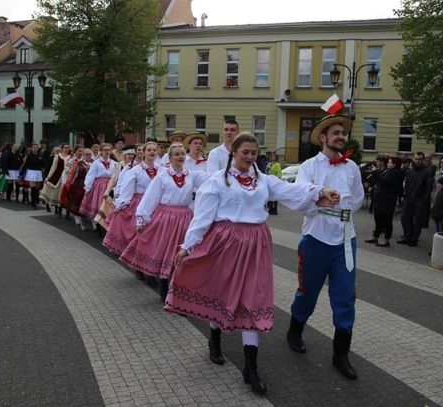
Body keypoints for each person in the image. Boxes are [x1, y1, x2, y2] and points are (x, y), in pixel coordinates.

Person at [164, 133, 339, 395]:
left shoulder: (262, 180)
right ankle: (214, 340)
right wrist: (187, 245)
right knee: (222, 293)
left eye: (254, 152)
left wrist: (319, 191)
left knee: (252, 300)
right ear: (233, 152)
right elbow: (202, 217)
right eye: (245, 151)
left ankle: (251, 368)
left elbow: (289, 189)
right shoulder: (218, 181)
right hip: (226, 243)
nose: (250, 157)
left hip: (256, 244)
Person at [286, 114, 364, 381]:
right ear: (323, 138)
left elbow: (358, 199)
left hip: (344, 238)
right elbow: (299, 198)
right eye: (336, 133)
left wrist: (341, 208)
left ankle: (340, 354)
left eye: (343, 133)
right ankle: (295, 329)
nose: (341, 137)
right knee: (307, 292)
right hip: (316, 237)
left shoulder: (352, 167)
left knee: (344, 297)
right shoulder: (309, 166)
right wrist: (321, 197)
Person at [120, 143, 210, 303]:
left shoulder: (192, 175)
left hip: (185, 218)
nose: (180, 157)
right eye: (177, 154)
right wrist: (141, 219)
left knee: (184, 252)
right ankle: (164, 285)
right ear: (170, 157)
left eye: (183, 154)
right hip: (166, 217)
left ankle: (179, 288)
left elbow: (213, 178)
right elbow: (150, 197)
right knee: (165, 251)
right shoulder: (162, 176)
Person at [103, 141, 160, 257]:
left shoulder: (162, 170)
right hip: (139, 203)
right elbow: (127, 189)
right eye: (149, 150)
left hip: (156, 205)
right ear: (143, 153)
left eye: (154, 150)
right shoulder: (135, 170)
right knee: (139, 231)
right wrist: (120, 205)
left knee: (152, 234)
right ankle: (136, 256)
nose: (152, 152)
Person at [365, 156, 404, 247]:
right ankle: (375, 236)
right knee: (378, 220)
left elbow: (383, 181)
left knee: (387, 221)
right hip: (380, 200)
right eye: (388, 162)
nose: (388, 164)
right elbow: (379, 181)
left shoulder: (396, 173)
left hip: (387, 201)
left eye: (390, 162)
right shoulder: (387, 171)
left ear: (395, 164)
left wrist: (375, 172)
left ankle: (386, 240)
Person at [398, 152, 433, 247]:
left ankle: (414, 239)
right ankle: (407, 236)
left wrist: (423, 200)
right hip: (408, 199)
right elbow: (407, 184)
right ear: (413, 159)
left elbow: (429, 188)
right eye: (416, 159)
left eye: (419, 159)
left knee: (417, 222)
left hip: (419, 200)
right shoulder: (411, 171)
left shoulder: (427, 171)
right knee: (405, 218)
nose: (417, 161)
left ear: (423, 160)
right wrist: (404, 196)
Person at [80, 143, 117, 227]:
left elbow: (117, 176)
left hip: (110, 186)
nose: (107, 152)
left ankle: (106, 223)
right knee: (99, 204)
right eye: (105, 150)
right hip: (99, 186)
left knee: (108, 205)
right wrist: (87, 188)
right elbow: (90, 176)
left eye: (108, 150)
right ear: (101, 151)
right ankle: (96, 224)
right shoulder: (96, 163)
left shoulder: (114, 163)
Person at [40, 143, 70, 214]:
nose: (67, 149)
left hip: (67, 178)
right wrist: (48, 177)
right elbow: (53, 167)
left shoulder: (70, 157)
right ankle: (58, 209)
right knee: (58, 194)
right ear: (62, 149)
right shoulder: (57, 156)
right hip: (59, 178)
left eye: (68, 148)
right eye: (65, 147)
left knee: (67, 195)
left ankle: (67, 212)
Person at [23, 144, 45, 209]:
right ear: (32, 149)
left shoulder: (40, 156)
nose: (35, 149)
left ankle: (35, 200)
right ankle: (33, 202)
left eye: (36, 148)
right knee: (33, 188)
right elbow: (25, 165)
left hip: (38, 172)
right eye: (34, 148)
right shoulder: (29, 156)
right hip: (31, 172)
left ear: (38, 149)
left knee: (37, 189)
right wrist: (21, 174)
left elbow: (44, 164)